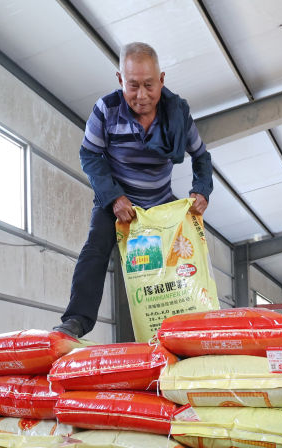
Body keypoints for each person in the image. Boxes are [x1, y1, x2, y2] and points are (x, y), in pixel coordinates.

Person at [53, 42, 212, 339]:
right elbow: (89, 155)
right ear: (120, 80)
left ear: (161, 80)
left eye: (149, 85)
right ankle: (76, 321)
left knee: (186, 250)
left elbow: (201, 157)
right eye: (133, 85)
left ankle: (187, 324)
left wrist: (201, 190)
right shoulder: (106, 110)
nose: (141, 95)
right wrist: (113, 197)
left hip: (160, 201)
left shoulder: (178, 114)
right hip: (116, 200)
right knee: (95, 248)